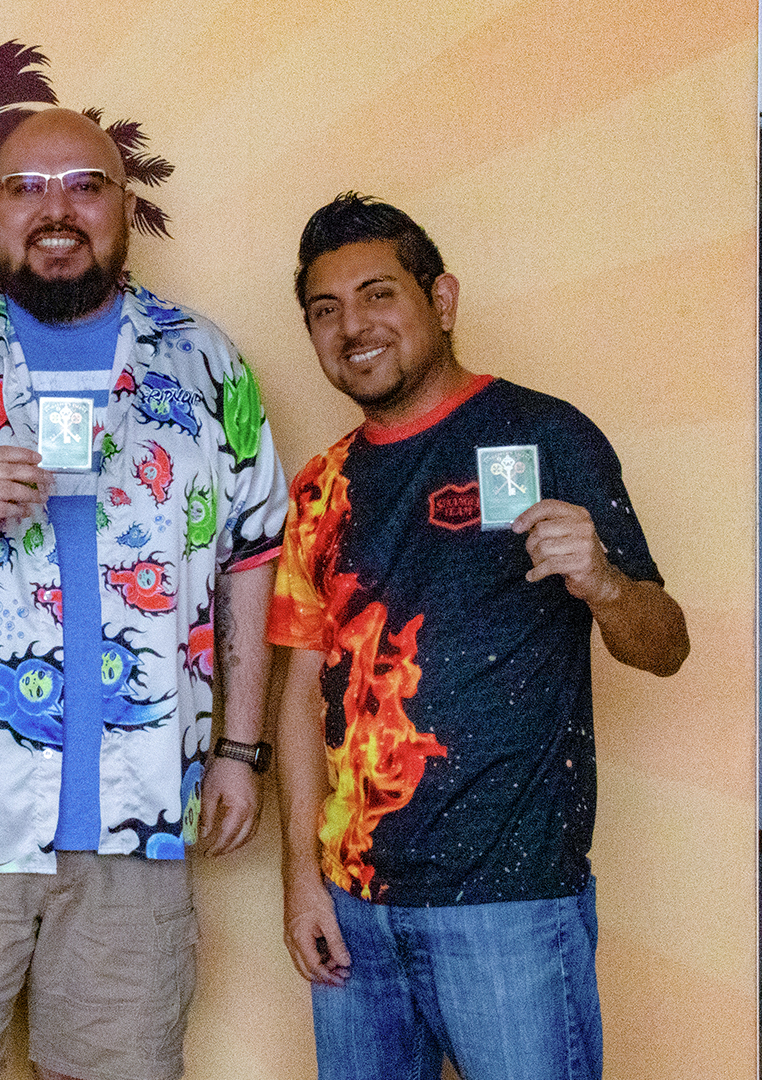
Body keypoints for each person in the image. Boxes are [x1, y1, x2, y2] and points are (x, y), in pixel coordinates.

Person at [0, 107, 288, 1080]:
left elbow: (250, 559)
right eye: (27, 188)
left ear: (123, 206)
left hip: (139, 826)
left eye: (85, 185)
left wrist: (241, 752)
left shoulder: (206, 362)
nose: (55, 209)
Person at [269, 193, 689, 1080]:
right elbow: (301, 692)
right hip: (352, 912)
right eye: (325, 310)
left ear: (442, 300)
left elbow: (665, 646)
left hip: (510, 907)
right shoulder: (320, 488)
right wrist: (301, 878)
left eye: (378, 294)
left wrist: (605, 583)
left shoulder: (546, 434)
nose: (353, 326)